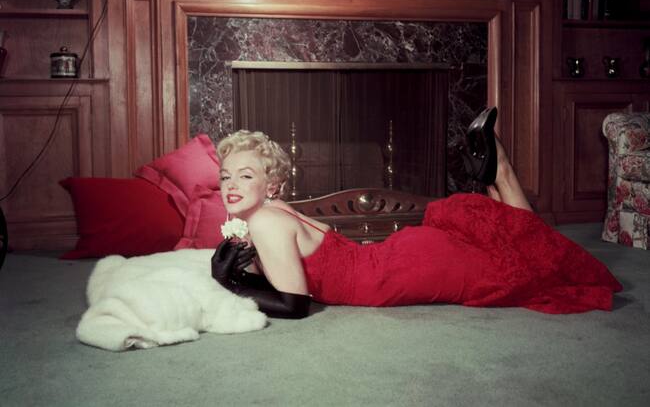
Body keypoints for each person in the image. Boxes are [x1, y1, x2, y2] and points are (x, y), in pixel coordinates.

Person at [211, 108, 622, 319]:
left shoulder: (265, 221)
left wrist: (229, 281)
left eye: (246, 176)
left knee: (527, 270)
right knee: (509, 249)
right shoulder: (276, 212)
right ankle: (496, 177)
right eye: (226, 175)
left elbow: (295, 305)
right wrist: (242, 273)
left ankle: (502, 171)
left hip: (404, 271)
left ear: (272, 186)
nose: (231, 184)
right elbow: (288, 279)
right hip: (402, 256)